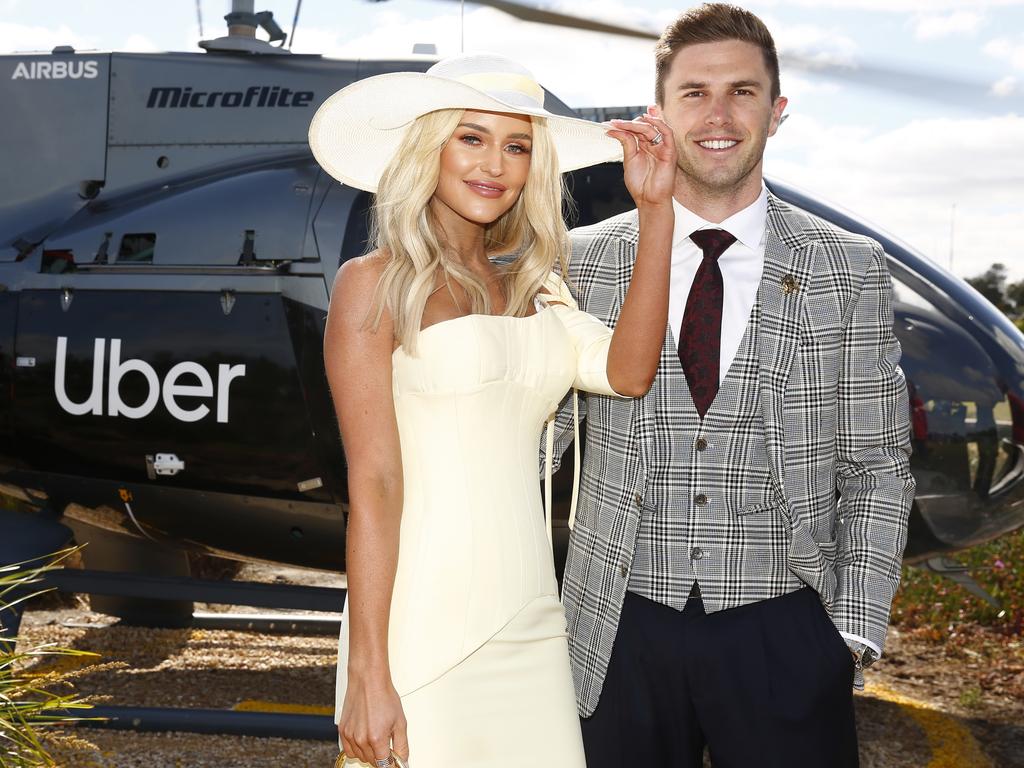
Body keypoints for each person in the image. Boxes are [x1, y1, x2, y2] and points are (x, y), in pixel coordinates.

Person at [546, 4, 916, 766]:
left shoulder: (848, 266)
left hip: (786, 628)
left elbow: (878, 465)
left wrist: (850, 630)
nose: (718, 115)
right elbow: (531, 443)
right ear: (659, 111)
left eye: (743, 92)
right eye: (695, 92)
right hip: (616, 627)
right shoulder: (581, 261)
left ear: (777, 112)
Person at [309, 53, 676, 767]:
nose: (494, 164)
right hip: (418, 624)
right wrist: (367, 670)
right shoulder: (373, 284)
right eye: (470, 138)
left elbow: (629, 374)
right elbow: (376, 483)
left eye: (517, 146)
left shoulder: (541, 291)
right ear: (430, 147)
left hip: (531, 619)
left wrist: (655, 211)